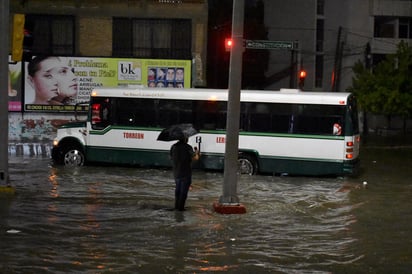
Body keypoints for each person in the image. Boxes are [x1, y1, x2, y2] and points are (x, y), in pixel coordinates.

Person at [170, 137, 200, 211]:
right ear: (185, 139)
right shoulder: (188, 147)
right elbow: (196, 158)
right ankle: (181, 208)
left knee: (178, 190)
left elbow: (171, 157)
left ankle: (176, 207)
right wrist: (196, 151)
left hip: (176, 172)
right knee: (183, 192)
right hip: (185, 173)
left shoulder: (173, 147)